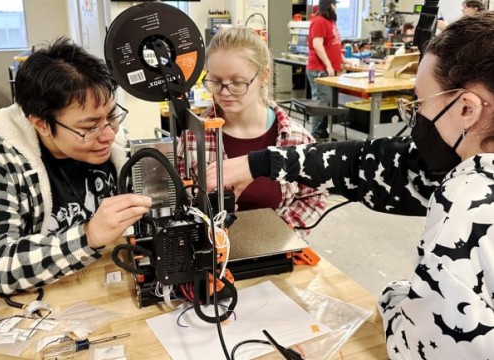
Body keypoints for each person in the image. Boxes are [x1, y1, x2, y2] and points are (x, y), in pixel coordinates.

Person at [207, 12, 494, 358]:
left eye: (420, 104)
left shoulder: (468, 198)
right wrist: (261, 163)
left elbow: (419, 346)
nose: (415, 119)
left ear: (467, 109)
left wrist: (394, 297)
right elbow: (372, 165)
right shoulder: (458, 171)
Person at [0, 37, 152, 295]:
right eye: (89, 127)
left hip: (107, 285)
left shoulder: (112, 138)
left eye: (112, 116)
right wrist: (88, 236)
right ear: (41, 123)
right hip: (45, 300)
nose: (108, 135)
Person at [176, 26, 326, 238]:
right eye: (216, 82)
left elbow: (315, 196)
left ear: (264, 76)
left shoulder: (295, 139)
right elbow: (181, 201)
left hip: (276, 255)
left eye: (237, 82)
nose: (225, 93)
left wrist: (280, 235)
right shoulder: (193, 139)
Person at [306, 0, 345, 142]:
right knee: (321, 103)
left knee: (326, 102)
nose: (336, 8)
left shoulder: (330, 22)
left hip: (329, 69)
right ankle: (315, 136)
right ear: (329, 6)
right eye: (335, 5)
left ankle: (322, 132)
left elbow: (334, 44)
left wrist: (344, 60)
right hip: (319, 69)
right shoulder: (319, 22)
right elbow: (317, 45)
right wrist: (328, 65)